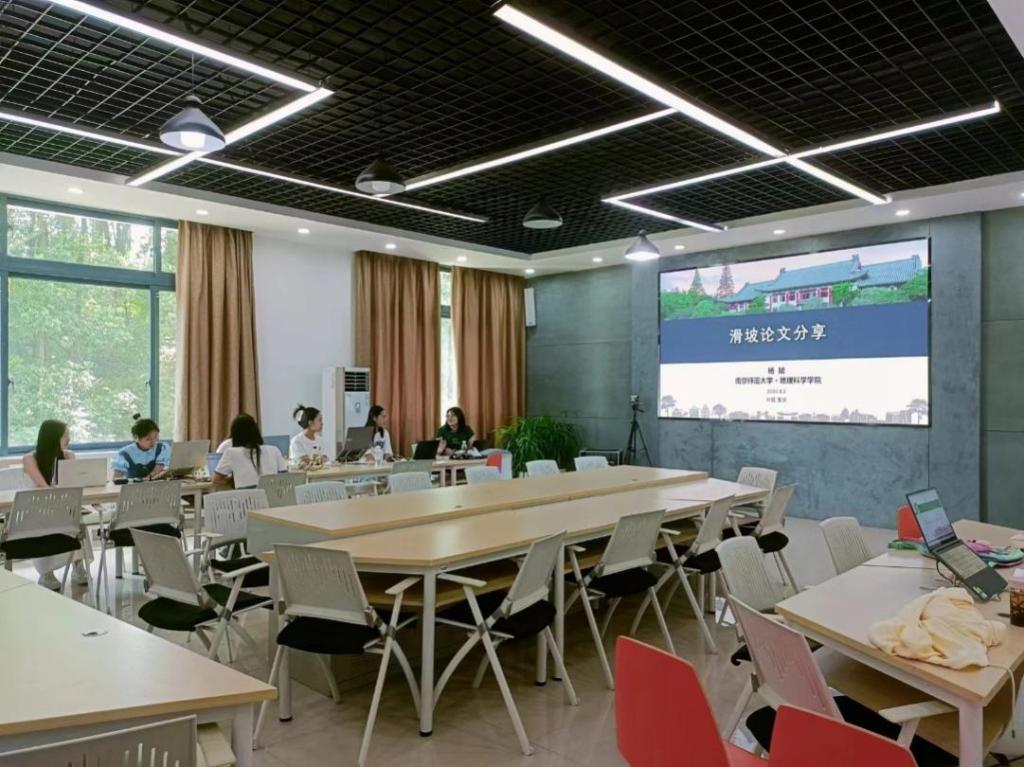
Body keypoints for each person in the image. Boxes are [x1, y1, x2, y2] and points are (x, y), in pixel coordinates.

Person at [22, 420, 88, 589]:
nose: (69, 439)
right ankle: (46, 572)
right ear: (52, 437)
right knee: (52, 521)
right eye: (65, 436)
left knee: (76, 520)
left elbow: (71, 483)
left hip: (62, 505)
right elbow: (42, 486)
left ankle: (78, 566)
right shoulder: (30, 458)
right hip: (37, 508)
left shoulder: (69, 455)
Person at [214, 413, 287, 489]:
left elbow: (217, 479)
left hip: (246, 496)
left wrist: (233, 481)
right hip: (271, 495)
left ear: (235, 435)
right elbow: (285, 477)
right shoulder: (274, 450)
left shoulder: (231, 452)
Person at [112, 415, 168, 480]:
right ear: (136, 437)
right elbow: (117, 479)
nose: (153, 441)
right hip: (133, 486)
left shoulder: (162, 448)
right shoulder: (124, 454)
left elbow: (158, 470)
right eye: (148, 439)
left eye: (155, 437)